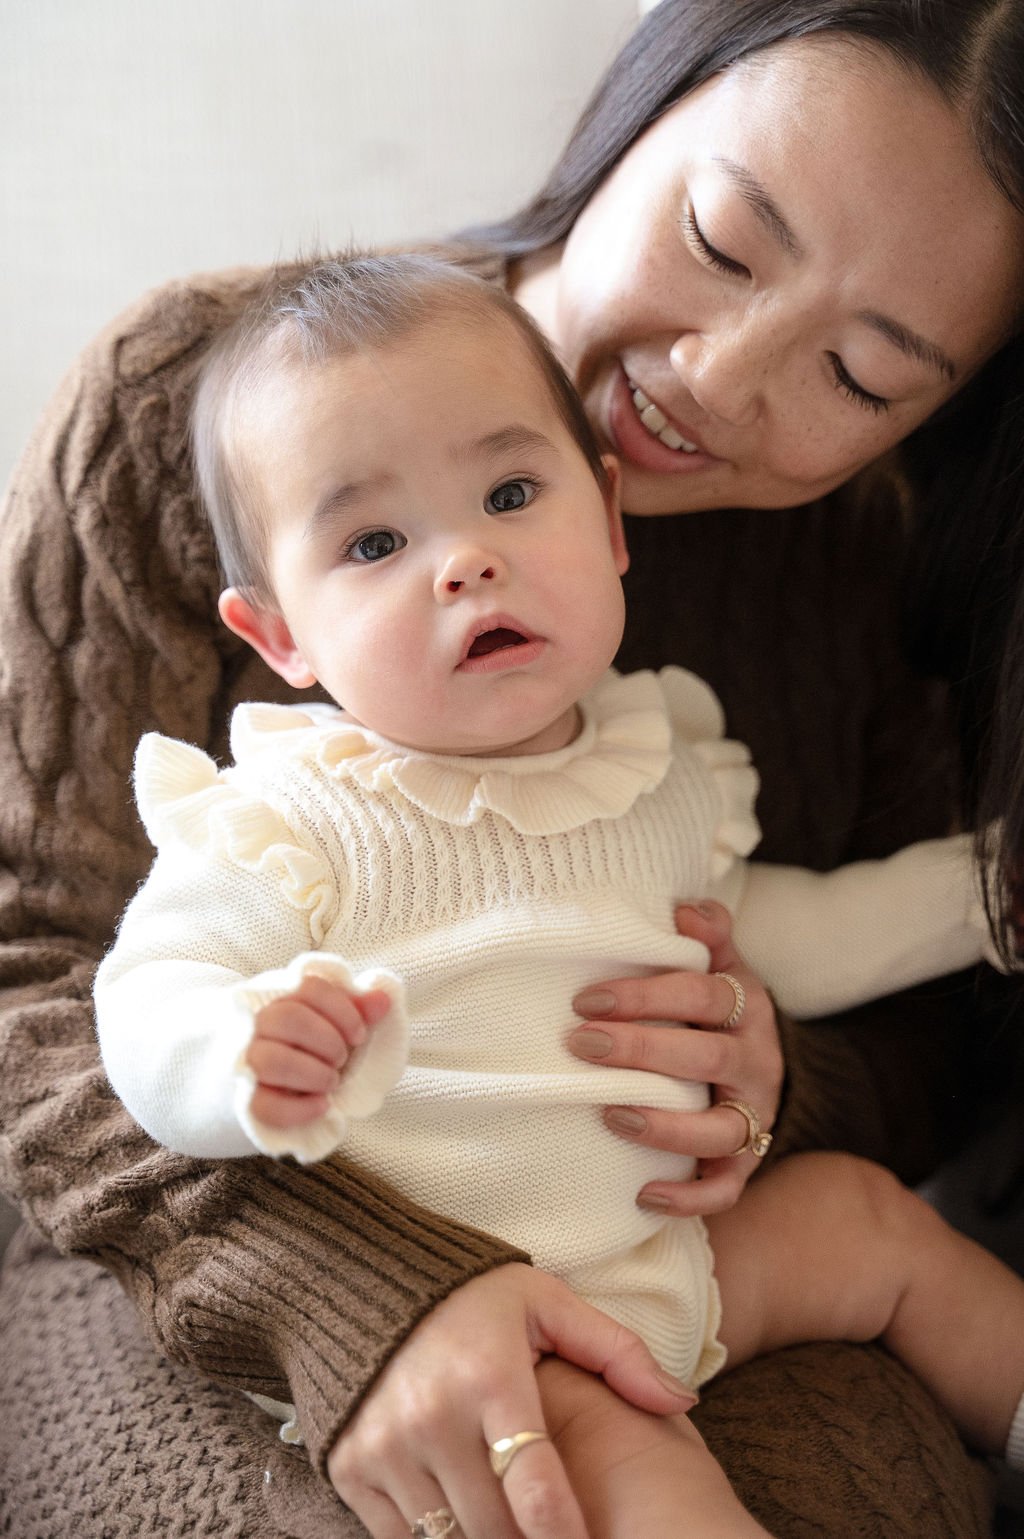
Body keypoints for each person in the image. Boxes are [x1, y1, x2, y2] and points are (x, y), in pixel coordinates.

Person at [2, 3, 1024, 1535]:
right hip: (175, 1227)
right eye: (722, 241)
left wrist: (770, 1082)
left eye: (861, 377)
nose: (717, 376)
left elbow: (896, 1023)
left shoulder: (800, 623)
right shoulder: (210, 408)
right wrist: (363, 1288)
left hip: (665, 1237)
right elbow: (35, 971)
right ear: (636, 111)